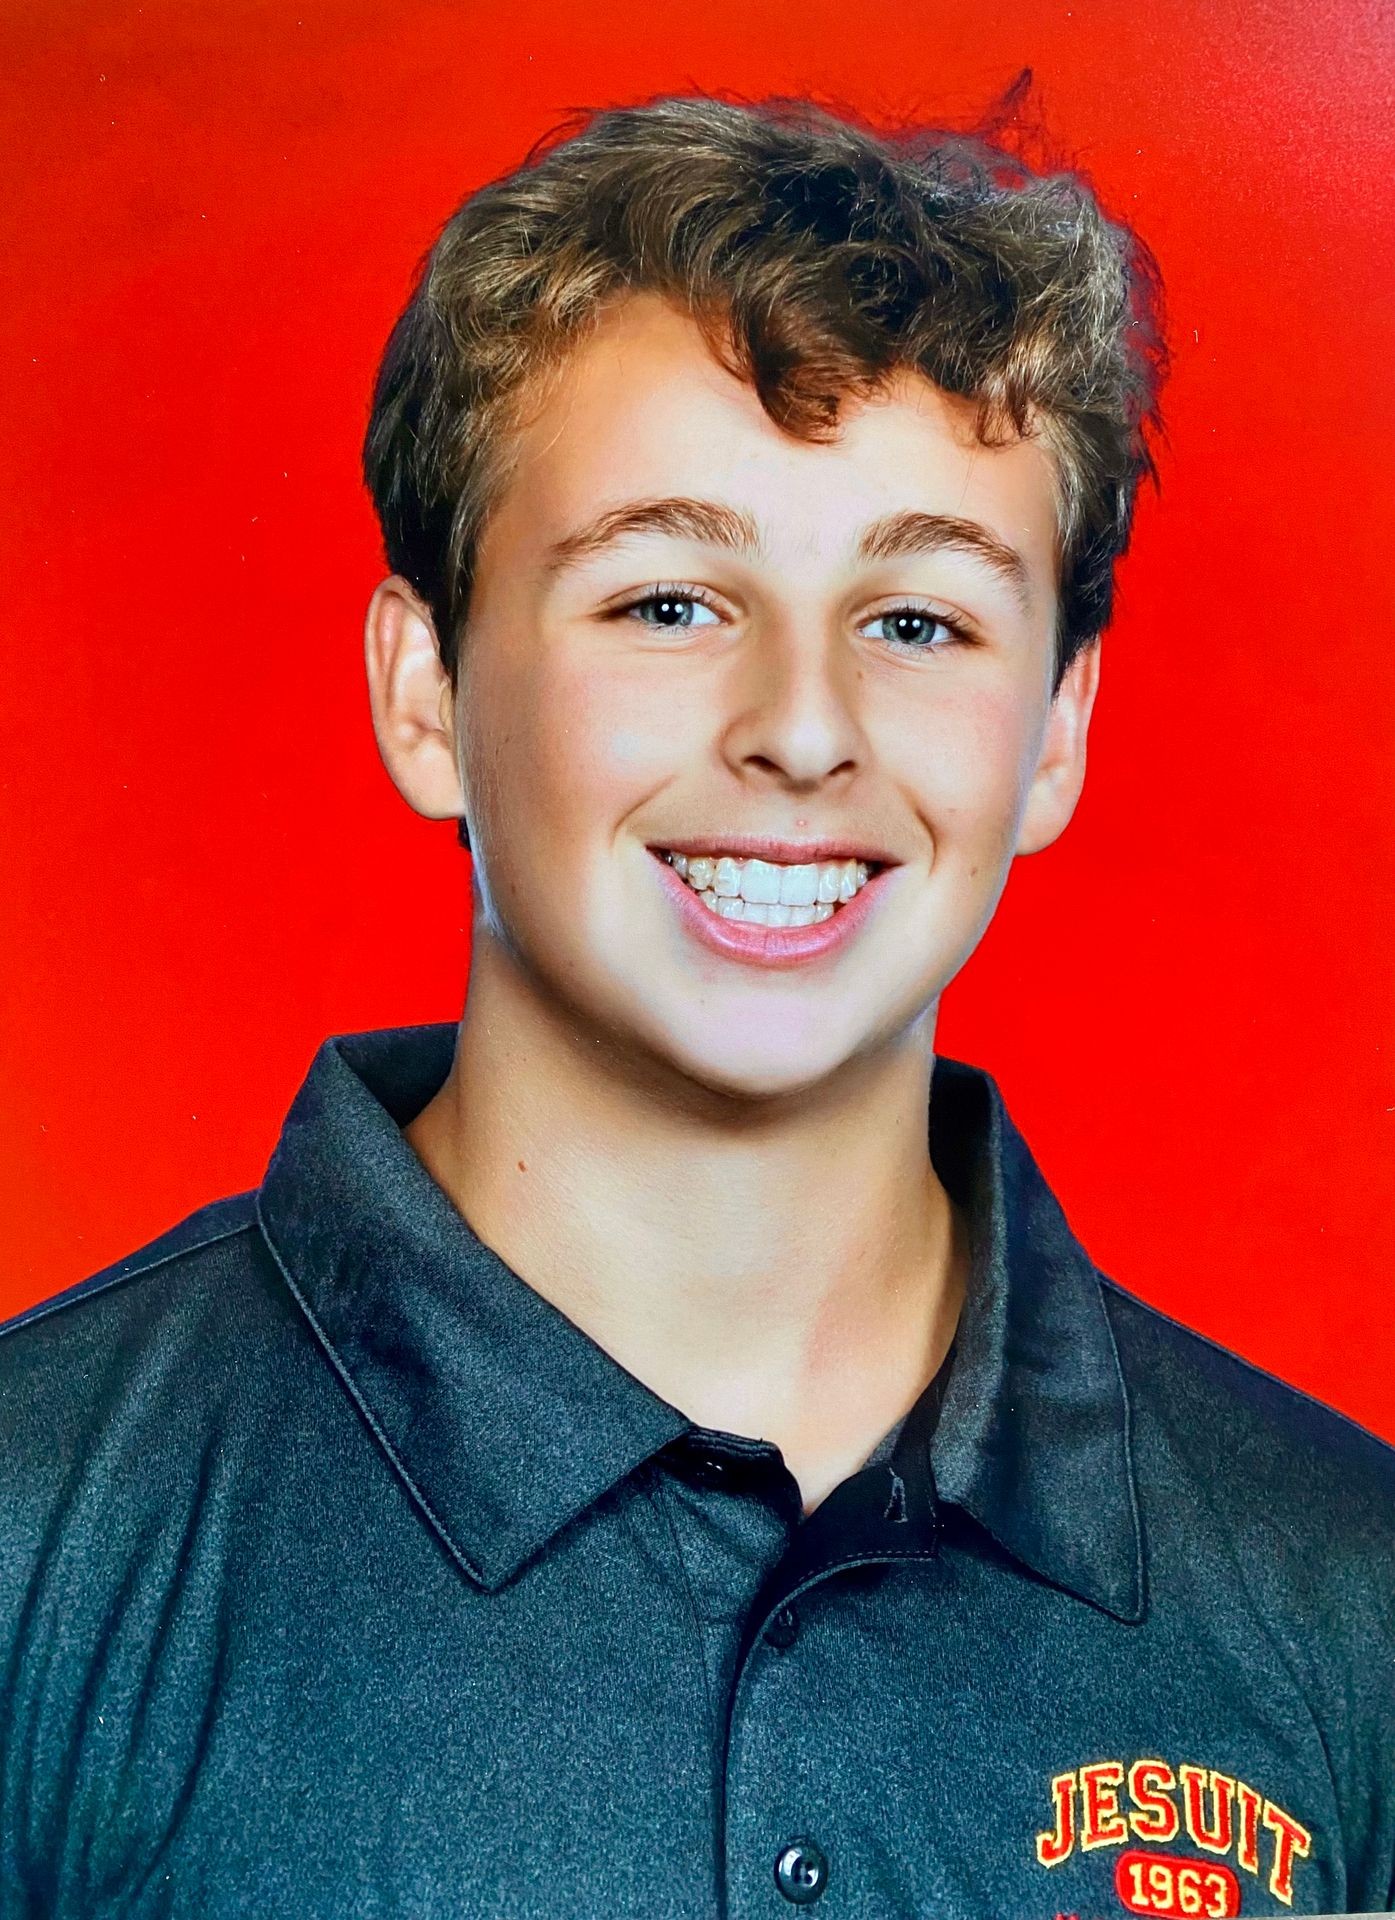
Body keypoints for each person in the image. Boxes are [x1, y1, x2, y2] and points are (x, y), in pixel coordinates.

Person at [1, 94, 1390, 1920]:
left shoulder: (1345, 1600)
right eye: (667, 599)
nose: (802, 728)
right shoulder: (39, 1538)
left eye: (918, 623)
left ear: (1056, 735)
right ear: (425, 695)